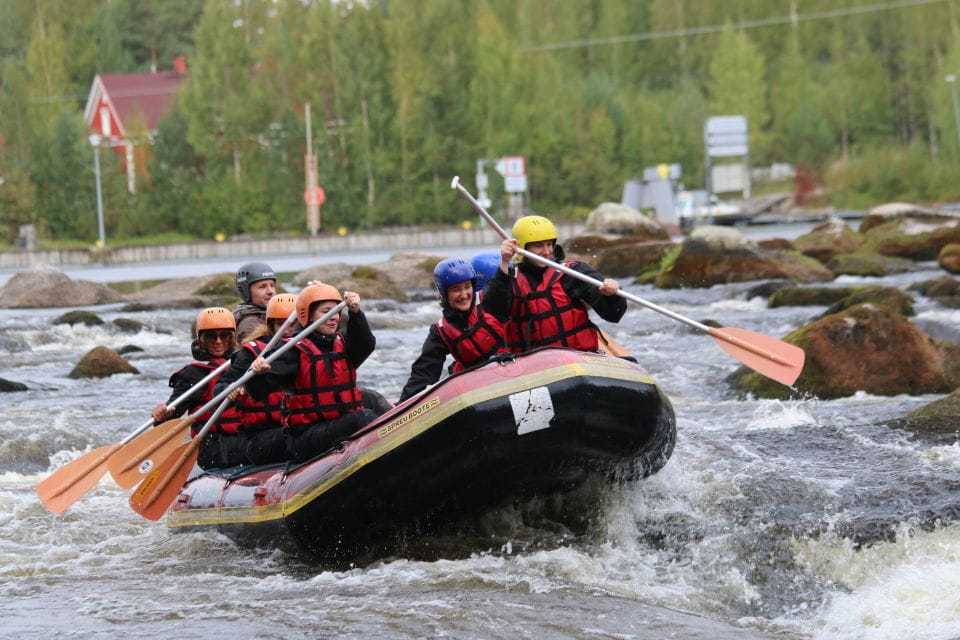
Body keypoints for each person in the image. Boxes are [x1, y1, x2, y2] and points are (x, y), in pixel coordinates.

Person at [246, 284, 377, 463]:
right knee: (362, 418)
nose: (334, 317)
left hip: (337, 425)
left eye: (336, 312)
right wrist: (258, 373)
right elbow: (257, 392)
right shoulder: (292, 351)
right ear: (306, 315)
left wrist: (355, 313)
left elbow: (365, 344)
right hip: (305, 438)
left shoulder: (341, 343)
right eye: (326, 312)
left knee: (369, 405)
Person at [483, 215, 626, 353]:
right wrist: (505, 262)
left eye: (549, 244)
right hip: (531, 362)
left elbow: (614, 315)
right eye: (538, 246)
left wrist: (611, 296)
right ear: (522, 249)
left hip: (577, 356)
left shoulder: (572, 273)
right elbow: (495, 312)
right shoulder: (507, 278)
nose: (546, 252)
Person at [398, 258, 507, 402]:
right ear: (444, 294)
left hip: (511, 369)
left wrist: (506, 261)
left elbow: (506, 285)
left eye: (467, 287)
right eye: (456, 290)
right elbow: (424, 373)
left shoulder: (489, 301)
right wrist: (403, 405)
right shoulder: (440, 331)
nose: (464, 295)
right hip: (477, 386)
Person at [151, 307, 248, 469]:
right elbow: (173, 414)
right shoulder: (193, 374)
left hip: (244, 440)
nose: (218, 341)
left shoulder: (243, 365)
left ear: (231, 338)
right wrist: (161, 414)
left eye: (224, 335)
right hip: (214, 447)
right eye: (211, 336)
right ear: (202, 340)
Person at [215, 293, 297, 466]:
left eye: (293, 324)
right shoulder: (250, 354)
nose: (288, 330)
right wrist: (229, 390)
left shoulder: (307, 349)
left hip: (296, 426)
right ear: (271, 326)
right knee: (298, 436)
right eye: (281, 324)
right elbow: (220, 387)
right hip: (260, 439)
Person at [233, 261, 277, 342]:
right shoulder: (249, 324)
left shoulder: (272, 314)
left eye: (272, 285)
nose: (270, 291)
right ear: (246, 291)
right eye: (262, 287)